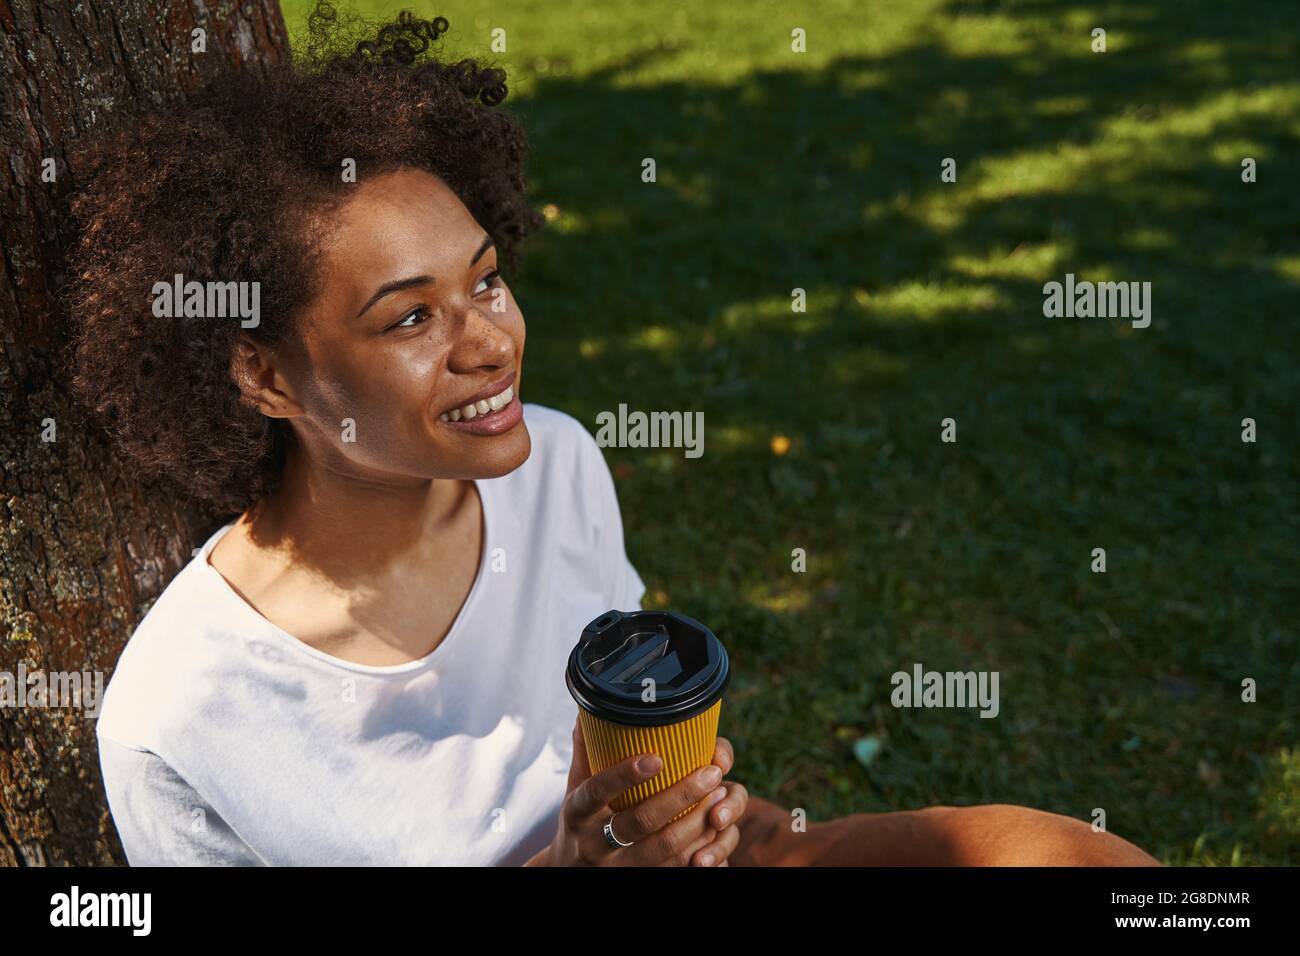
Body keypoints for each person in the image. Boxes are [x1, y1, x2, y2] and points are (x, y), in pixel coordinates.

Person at [66, 4, 1157, 867]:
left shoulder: (556, 462)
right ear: (263, 373)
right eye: (408, 316)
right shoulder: (182, 719)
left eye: (486, 280)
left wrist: (684, 807)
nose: (488, 341)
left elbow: (617, 737)